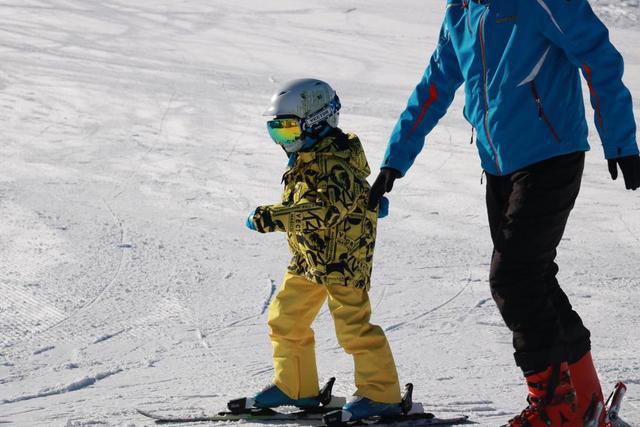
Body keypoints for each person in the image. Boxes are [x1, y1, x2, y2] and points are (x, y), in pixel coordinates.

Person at [367, 1, 640, 426]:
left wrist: (620, 139)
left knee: (514, 277)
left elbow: (597, 55)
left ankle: (556, 409)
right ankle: (584, 401)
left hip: (552, 154)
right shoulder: (461, 10)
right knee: (534, 277)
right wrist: (395, 159)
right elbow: (436, 84)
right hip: (498, 166)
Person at [245, 78, 402, 422]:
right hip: (309, 260)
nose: (282, 141)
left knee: (353, 329)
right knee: (285, 319)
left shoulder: (335, 162)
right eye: (276, 132)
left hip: (344, 261)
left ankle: (381, 394)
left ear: (316, 122)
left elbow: (326, 211)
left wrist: (274, 217)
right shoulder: (307, 156)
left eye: (287, 131)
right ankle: (296, 387)